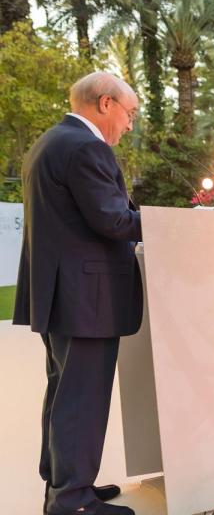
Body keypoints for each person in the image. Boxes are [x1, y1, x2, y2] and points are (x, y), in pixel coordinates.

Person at [14, 72, 141, 515]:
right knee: (82, 398)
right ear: (105, 104)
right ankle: (73, 501)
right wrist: (170, 223)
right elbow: (113, 220)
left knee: (64, 392)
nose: (129, 125)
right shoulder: (87, 147)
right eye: (129, 114)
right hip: (88, 297)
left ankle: (64, 484)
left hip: (61, 294)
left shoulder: (50, 142)